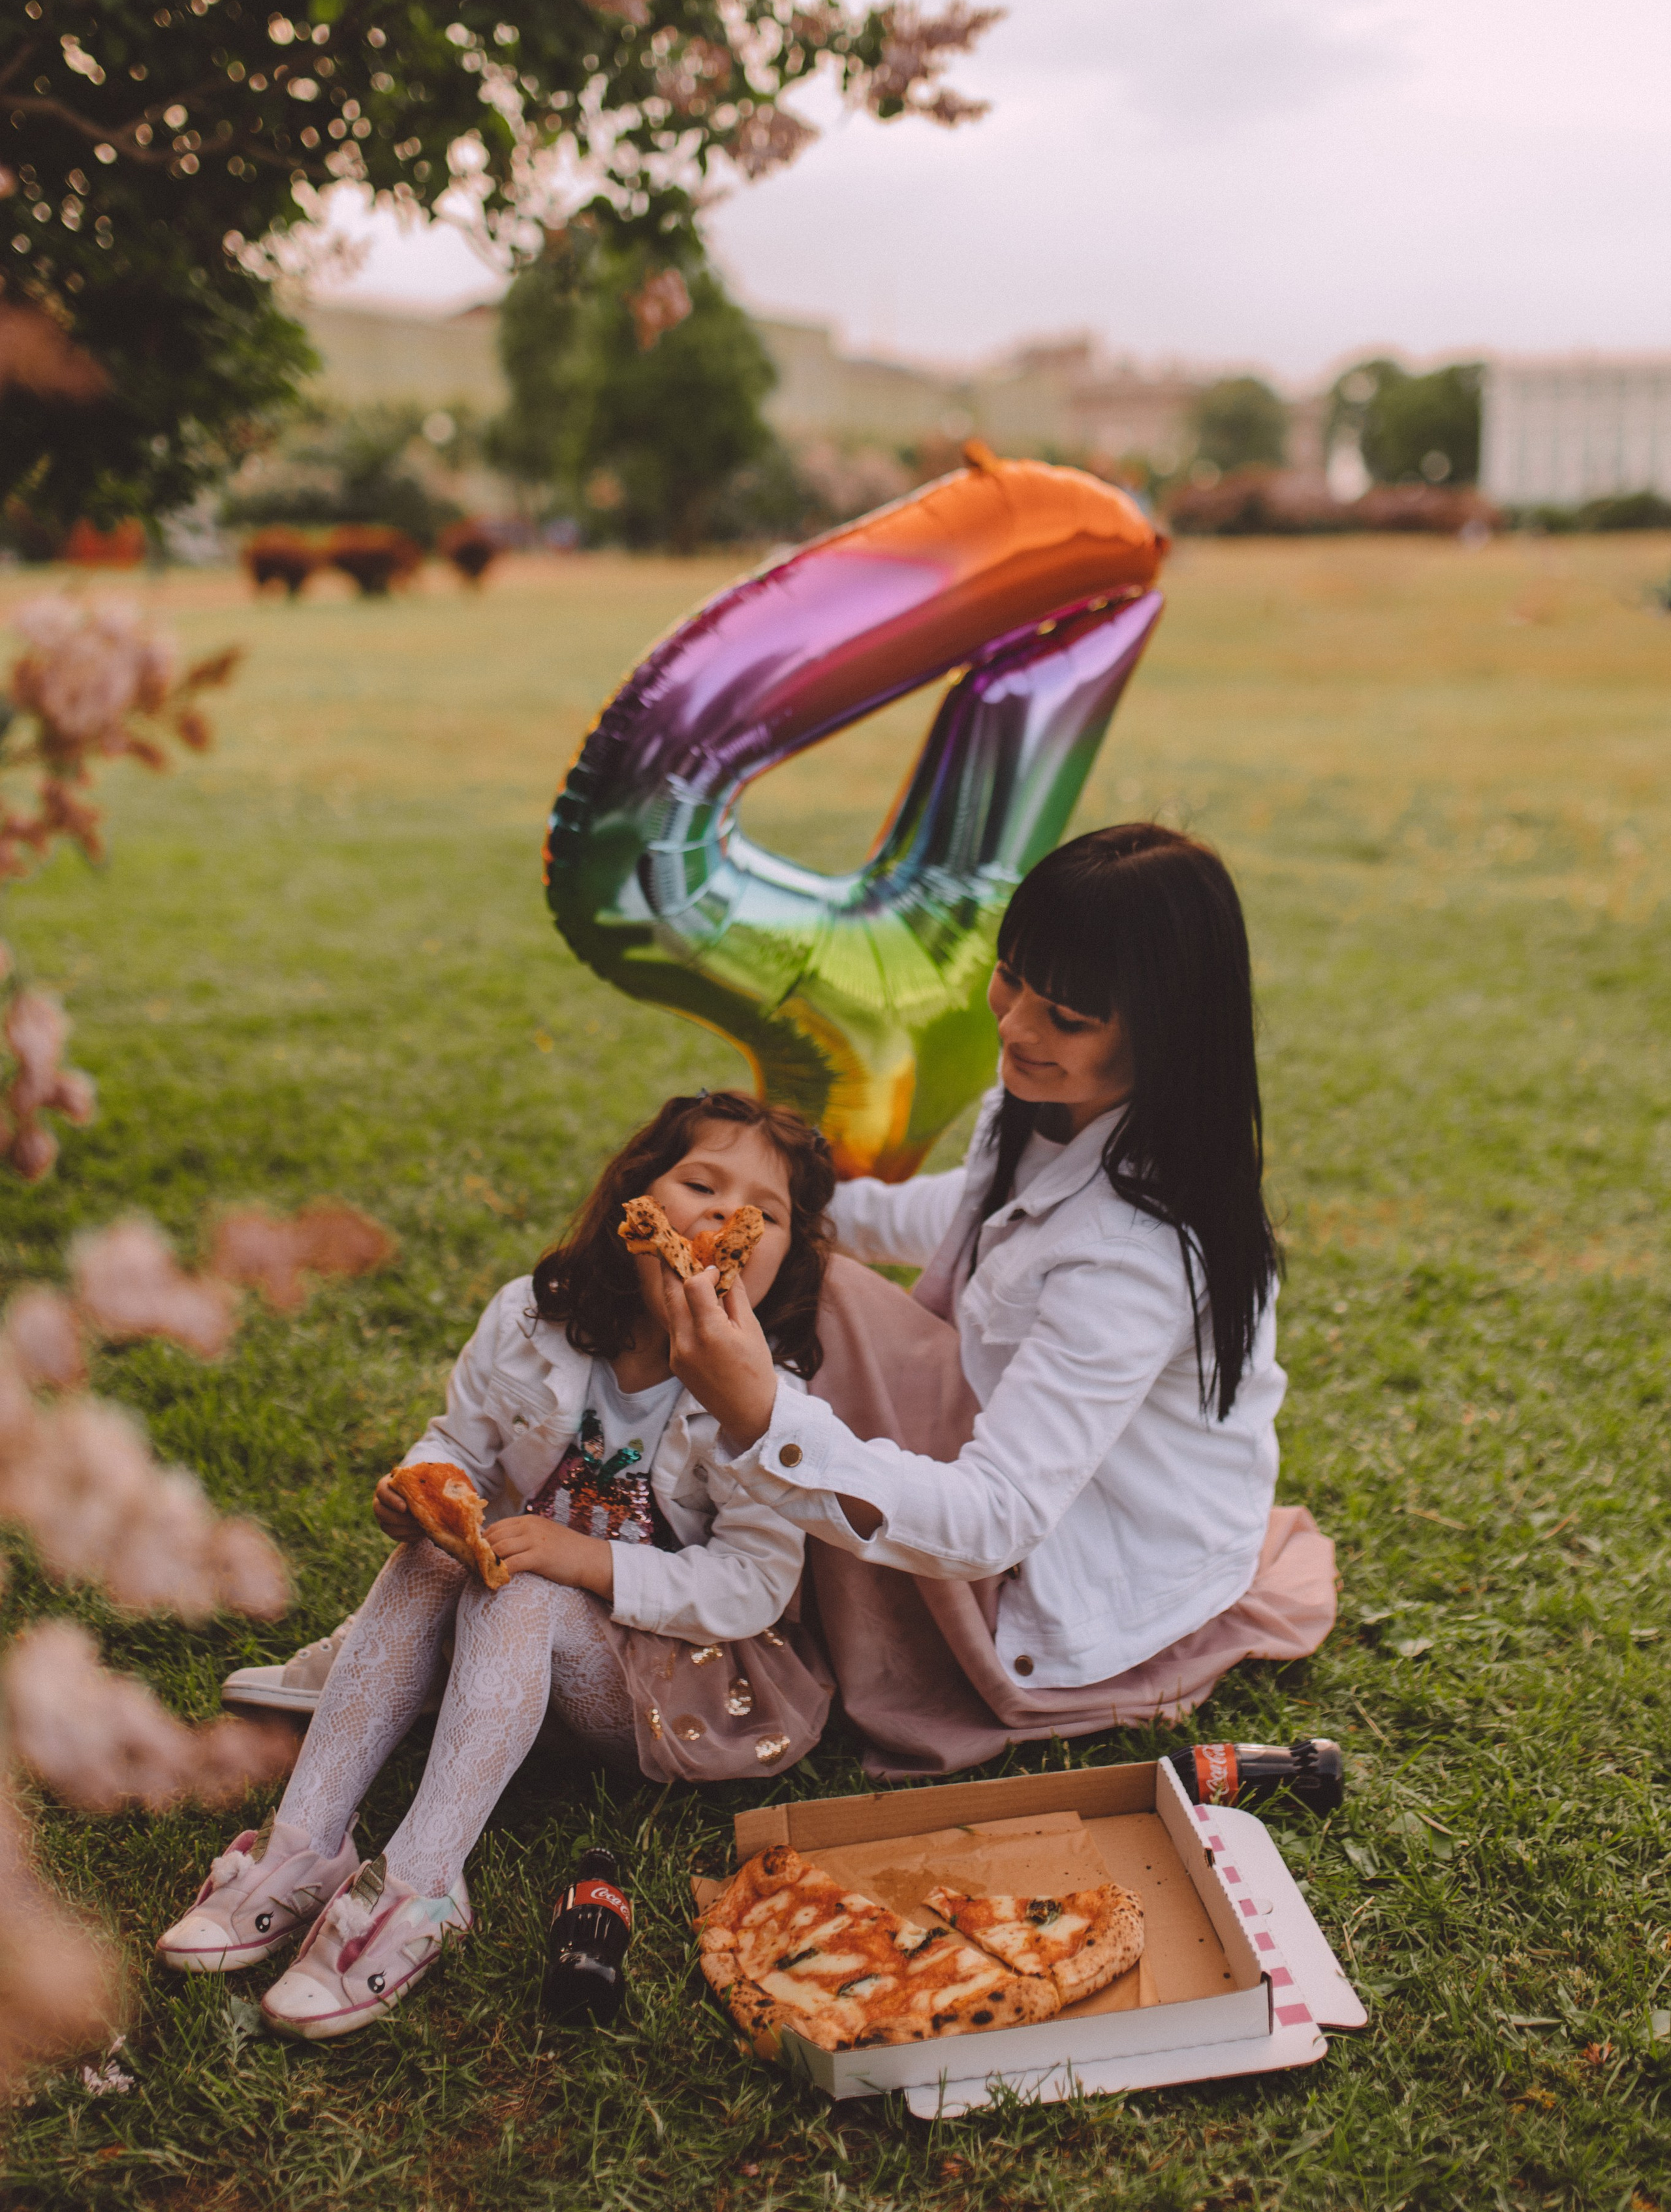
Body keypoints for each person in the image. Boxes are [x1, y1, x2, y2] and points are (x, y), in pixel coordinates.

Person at [661, 824, 1335, 1776]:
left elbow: (997, 1518)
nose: (1015, 1025)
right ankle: (645, 1507)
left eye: (1065, 1015)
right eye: (1010, 977)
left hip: (1052, 1568)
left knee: (798, 1310)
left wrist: (762, 1417)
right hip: (997, 1419)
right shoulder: (1052, 1098)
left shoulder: (1134, 1256)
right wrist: (773, 1204)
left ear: (1161, 1034)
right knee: (792, 1267)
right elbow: (968, 1211)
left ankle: (669, 1539)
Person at [158, 1091, 836, 2038]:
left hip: (669, 1679)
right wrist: (420, 1486)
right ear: (635, 1201)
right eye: (702, 1183)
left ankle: (420, 1888)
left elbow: (753, 1584)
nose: (729, 1217)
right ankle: (303, 1845)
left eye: (763, 1209)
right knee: (438, 1567)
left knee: (520, 1596)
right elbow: (457, 1449)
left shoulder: (770, 1404)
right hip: (502, 1639)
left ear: (785, 1256)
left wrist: (583, 1557)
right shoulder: (532, 1318)